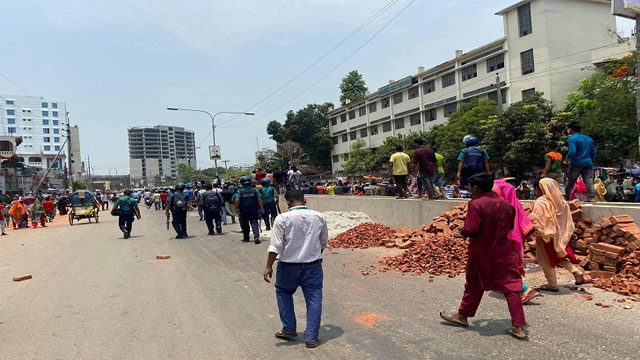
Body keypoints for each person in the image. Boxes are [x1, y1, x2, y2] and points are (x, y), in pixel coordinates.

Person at [439, 173, 527, 340]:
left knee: (473, 283)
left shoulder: (476, 204)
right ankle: (518, 326)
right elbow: (509, 227)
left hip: (481, 250)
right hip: (503, 250)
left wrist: (462, 231)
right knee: (511, 286)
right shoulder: (507, 206)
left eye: (471, 188)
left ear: (476, 188)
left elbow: (471, 229)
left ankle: (462, 316)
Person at [263, 190, 328, 348]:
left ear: (287, 202)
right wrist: (313, 255)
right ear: (304, 200)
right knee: (314, 299)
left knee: (283, 293)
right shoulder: (319, 217)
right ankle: (311, 337)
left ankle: (289, 329)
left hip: (288, 267)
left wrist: (268, 266)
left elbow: (275, 246)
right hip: (313, 266)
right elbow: (323, 241)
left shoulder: (282, 218)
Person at [529, 178, 589, 292]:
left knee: (545, 260)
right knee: (558, 255)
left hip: (546, 236)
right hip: (560, 235)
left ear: (538, 189)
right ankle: (577, 272)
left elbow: (538, 220)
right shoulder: (561, 202)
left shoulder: (541, 202)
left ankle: (552, 284)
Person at [492, 180, 540, 304]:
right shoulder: (515, 204)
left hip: (506, 241)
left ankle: (525, 289)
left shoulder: (502, 206)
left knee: (503, 267)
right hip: (514, 241)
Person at [565, 121, 596, 201]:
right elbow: (594, 152)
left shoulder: (572, 139)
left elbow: (572, 152)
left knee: (572, 180)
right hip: (588, 162)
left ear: (570, 129)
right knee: (588, 179)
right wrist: (591, 159)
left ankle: (567, 196)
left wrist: (567, 159)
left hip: (577, 162)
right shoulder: (589, 139)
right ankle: (592, 196)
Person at [234, 176, 264, 244]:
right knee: (254, 222)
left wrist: (236, 208)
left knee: (245, 224)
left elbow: (236, 200)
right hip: (253, 209)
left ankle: (246, 238)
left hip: (243, 210)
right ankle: (256, 236)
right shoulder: (255, 190)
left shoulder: (240, 191)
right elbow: (259, 199)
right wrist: (261, 208)